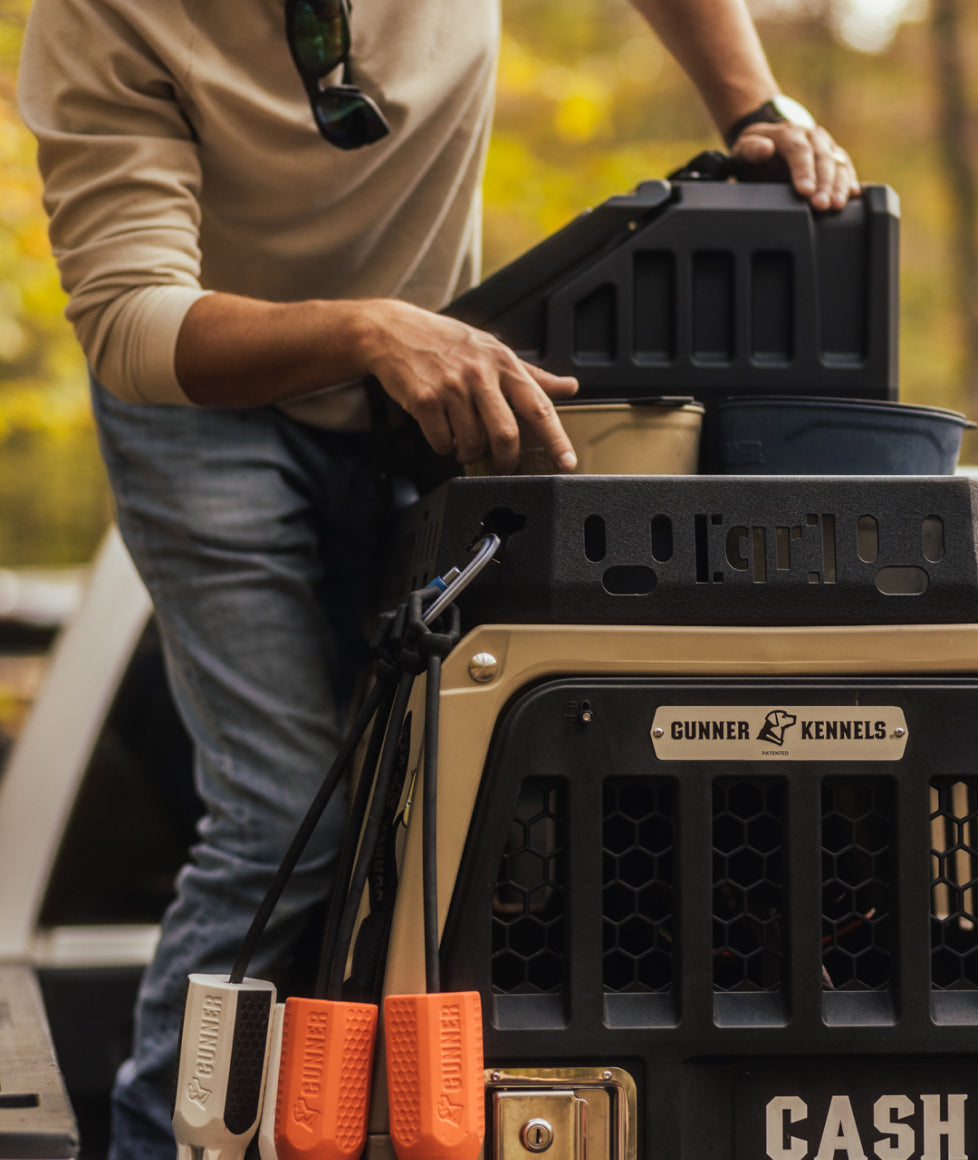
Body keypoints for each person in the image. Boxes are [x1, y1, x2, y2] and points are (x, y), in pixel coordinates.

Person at [18, 1, 859, 1157]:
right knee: (282, 818)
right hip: (199, 405)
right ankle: (158, 1140)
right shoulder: (99, 16)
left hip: (427, 370)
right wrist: (370, 329)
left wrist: (751, 103)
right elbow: (128, 318)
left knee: (469, 791)